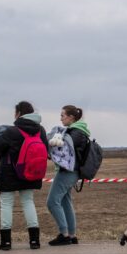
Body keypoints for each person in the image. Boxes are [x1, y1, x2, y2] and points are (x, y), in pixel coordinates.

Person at [0, 101, 49, 250]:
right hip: (30, 173)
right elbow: (46, 149)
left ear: (18, 114)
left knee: (6, 205)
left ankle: (6, 242)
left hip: (9, 174)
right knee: (28, 203)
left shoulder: (12, 131)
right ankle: (34, 241)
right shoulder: (40, 130)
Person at [46, 105, 89, 246]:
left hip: (68, 172)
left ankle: (64, 235)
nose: (60, 118)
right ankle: (72, 235)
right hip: (73, 172)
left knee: (52, 202)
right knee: (65, 202)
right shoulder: (78, 131)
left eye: (62, 115)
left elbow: (62, 148)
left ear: (71, 117)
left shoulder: (75, 132)